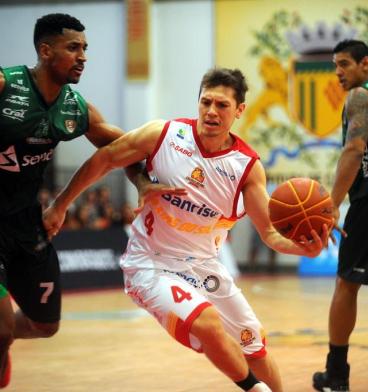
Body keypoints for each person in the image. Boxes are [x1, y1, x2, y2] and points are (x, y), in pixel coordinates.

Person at [44, 67, 329, 392]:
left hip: (203, 267)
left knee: (255, 345)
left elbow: (270, 233)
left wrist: (303, 248)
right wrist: (61, 204)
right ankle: (255, 389)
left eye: (221, 105)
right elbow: (105, 158)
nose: (211, 111)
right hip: (149, 264)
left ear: (239, 110)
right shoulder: (163, 136)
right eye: (205, 102)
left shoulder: (246, 169)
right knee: (207, 322)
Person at [0, 13, 182, 388]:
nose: (83, 56)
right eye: (73, 48)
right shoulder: (6, 85)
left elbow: (122, 149)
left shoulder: (73, 106)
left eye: (85, 48)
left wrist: (143, 183)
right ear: (45, 51)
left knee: (44, 325)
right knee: (0, 328)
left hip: (26, 225)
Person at [312, 39, 368, 391]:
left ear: (366, 63)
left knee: (347, 284)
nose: (338, 73)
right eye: (335, 65)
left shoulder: (361, 96)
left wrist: (332, 204)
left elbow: (354, 149)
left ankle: (336, 375)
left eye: (344, 64)